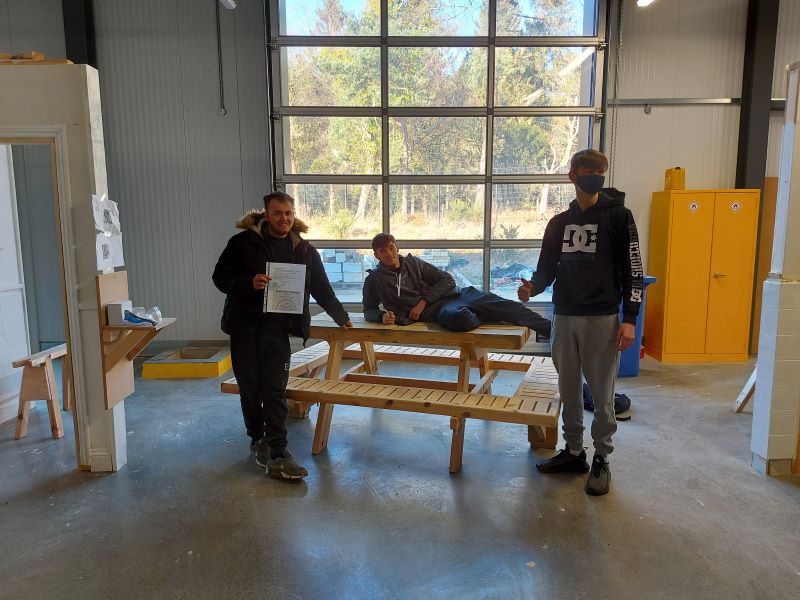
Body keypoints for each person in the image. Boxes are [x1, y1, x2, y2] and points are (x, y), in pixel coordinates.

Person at [518, 149, 643, 496]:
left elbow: (633, 270)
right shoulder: (558, 223)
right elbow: (546, 268)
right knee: (569, 390)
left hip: (602, 319)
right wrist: (532, 288)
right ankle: (574, 451)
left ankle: (602, 457)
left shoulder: (619, 217)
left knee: (602, 395)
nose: (596, 177)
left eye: (601, 171)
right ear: (572, 176)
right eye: (589, 171)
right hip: (564, 316)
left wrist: (630, 319)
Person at [213, 191, 352, 480]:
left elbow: (321, 287)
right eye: (277, 213)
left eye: (288, 213)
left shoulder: (304, 249)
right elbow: (220, 277)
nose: (284, 219)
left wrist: (341, 316)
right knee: (251, 389)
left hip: (278, 329)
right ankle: (257, 439)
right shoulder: (242, 243)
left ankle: (279, 451)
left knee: (275, 389)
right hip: (244, 328)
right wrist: (248, 282)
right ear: (266, 215)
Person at [363, 233, 551, 339]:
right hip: (439, 311)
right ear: (376, 255)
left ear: (397, 246)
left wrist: (422, 302)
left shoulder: (414, 263)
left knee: (506, 305)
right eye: (382, 251)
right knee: (461, 319)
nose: (389, 254)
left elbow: (447, 280)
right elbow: (368, 309)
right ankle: (484, 312)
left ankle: (553, 331)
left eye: (391, 247)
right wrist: (382, 316)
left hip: (459, 295)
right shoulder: (375, 279)